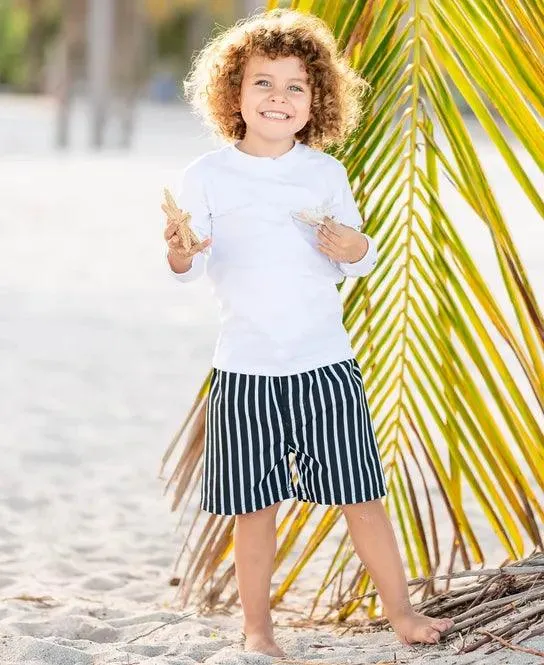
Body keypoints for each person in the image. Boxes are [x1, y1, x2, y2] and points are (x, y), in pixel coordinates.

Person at [163, 8, 454, 658]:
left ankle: (401, 610)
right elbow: (189, 266)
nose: (278, 98)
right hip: (245, 373)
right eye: (263, 83)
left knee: (363, 495)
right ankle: (258, 628)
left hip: (326, 367)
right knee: (254, 511)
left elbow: (355, 255)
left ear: (316, 99)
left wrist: (356, 244)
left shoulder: (326, 174)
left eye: (295, 86)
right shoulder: (206, 176)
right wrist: (180, 249)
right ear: (232, 92)